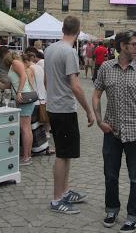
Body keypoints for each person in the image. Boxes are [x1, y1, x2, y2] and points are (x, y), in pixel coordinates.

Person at [92, 30, 136, 233]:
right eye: (135, 44)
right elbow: (96, 94)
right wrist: (100, 121)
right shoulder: (106, 68)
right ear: (122, 46)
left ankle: (133, 216)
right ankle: (111, 209)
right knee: (110, 174)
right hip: (112, 132)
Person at [44, 15, 95, 215]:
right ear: (78, 30)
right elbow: (75, 86)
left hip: (54, 106)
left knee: (66, 153)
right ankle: (57, 200)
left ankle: (64, 192)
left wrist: (50, 98)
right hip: (64, 109)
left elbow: (48, 81)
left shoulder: (49, 50)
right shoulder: (69, 52)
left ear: (63, 29)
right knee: (63, 154)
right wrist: (89, 110)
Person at [0, 52, 35, 166]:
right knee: (26, 128)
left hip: (23, 97)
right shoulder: (12, 67)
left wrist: (19, 92)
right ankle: (27, 155)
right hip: (23, 97)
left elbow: (23, 76)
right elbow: (6, 86)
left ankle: (26, 157)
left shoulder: (15, 63)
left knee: (25, 128)